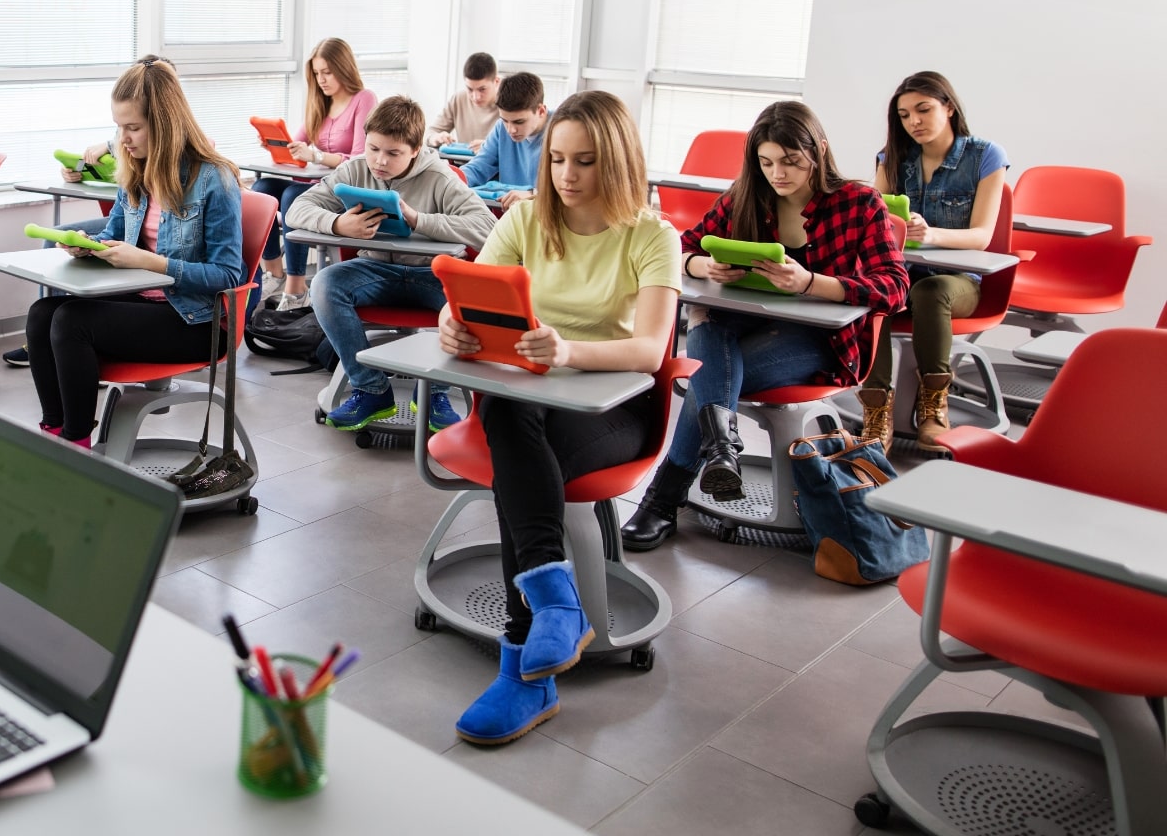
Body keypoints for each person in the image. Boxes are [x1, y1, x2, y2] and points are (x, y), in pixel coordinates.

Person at [443, 92, 679, 747]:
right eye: (556, 159)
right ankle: (553, 604)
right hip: (527, 399)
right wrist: (451, 326)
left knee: (519, 456)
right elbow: (469, 296)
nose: (567, 175)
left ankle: (526, 666)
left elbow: (650, 350)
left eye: (586, 161)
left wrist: (567, 350)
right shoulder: (524, 221)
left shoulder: (654, 234)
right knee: (513, 415)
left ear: (621, 163)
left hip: (615, 407)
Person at [619, 102, 908, 550]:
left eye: (791, 161)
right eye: (767, 162)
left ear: (820, 151)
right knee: (707, 327)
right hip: (735, 331)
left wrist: (812, 283)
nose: (778, 173)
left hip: (820, 341)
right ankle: (717, 455)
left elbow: (894, 286)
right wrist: (700, 265)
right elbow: (677, 248)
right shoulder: (745, 196)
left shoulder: (859, 202)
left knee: (703, 381)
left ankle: (664, 499)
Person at [25, 57, 245, 448]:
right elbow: (114, 235)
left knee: (71, 321)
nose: (122, 139)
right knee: (42, 314)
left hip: (194, 320)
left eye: (133, 127)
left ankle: (76, 444)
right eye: (119, 126)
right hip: (145, 302)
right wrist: (86, 248)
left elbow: (229, 277)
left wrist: (153, 262)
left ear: (164, 124)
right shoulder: (135, 169)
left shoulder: (214, 179)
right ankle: (56, 433)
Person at [287, 96, 495, 433]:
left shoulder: (440, 177)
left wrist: (418, 220)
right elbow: (298, 209)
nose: (379, 161)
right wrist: (338, 224)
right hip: (374, 272)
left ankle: (435, 393)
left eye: (393, 153)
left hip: (432, 274)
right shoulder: (354, 169)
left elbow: (487, 228)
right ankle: (371, 390)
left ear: (415, 149)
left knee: (473, 302)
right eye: (373, 148)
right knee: (325, 284)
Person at [860, 71, 1009, 454]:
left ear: (949, 107)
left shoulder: (985, 156)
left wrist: (932, 234)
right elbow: (873, 227)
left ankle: (933, 403)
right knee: (875, 290)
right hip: (902, 276)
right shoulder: (892, 158)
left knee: (932, 290)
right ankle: (877, 408)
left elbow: (982, 236)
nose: (914, 122)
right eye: (905, 115)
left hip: (959, 282)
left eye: (923, 110)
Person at [252, 38, 375, 311]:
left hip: (342, 187)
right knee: (260, 191)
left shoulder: (363, 100)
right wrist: (277, 144)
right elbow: (295, 145)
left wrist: (316, 156)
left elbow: (358, 158)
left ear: (344, 68)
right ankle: (274, 271)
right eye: (317, 74)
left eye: (327, 72)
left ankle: (297, 288)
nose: (321, 80)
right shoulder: (320, 103)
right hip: (313, 183)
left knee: (293, 195)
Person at [0, 133, 118, 369]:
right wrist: (77, 173)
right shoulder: (126, 136)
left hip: (148, 219)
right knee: (56, 240)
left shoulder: (154, 131)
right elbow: (118, 174)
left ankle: (71, 345)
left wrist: (107, 145)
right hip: (126, 213)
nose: (125, 133)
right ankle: (46, 340)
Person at [458, 72, 549, 208]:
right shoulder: (501, 128)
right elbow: (478, 167)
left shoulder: (561, 130)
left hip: (545, 215)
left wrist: (533, 193)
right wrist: (448, 179)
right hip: (509, 215)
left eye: (519, 122)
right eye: (505, 120)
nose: (510, 130)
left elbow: (568, 187)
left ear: (541, 111)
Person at [426, 52, 501, 148]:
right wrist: (436, 137)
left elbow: (517, 145)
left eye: (482, 89)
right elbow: (430, 133)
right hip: (461, 162)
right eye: (470, 89)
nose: (475, 97)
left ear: (496, 81)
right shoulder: (458, 99)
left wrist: (490, 147)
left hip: (493, 162)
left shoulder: (509, 103)